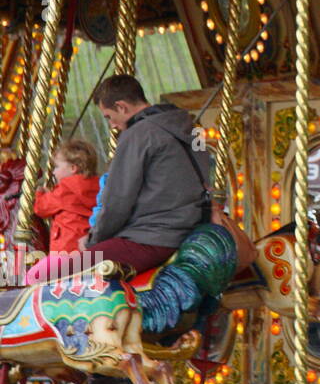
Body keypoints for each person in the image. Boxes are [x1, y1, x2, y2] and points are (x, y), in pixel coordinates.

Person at [85, 74, 211, 276]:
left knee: (49, 273)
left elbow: (118, 199)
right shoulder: (193, 126)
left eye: (109, 117)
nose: (113, 125)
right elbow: (207, 172)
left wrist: (93, 240)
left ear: (121, 107)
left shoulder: (137, 135)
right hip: (195, 229)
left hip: (154, 237)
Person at [24, 140, 101, 284]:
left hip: (65, 251)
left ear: (73, 168)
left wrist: (40, 194)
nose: (53, 172)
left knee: (30, 278)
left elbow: (41, 209)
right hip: (88, 250)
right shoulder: (97, 186)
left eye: (57, 167)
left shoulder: (66, 188)